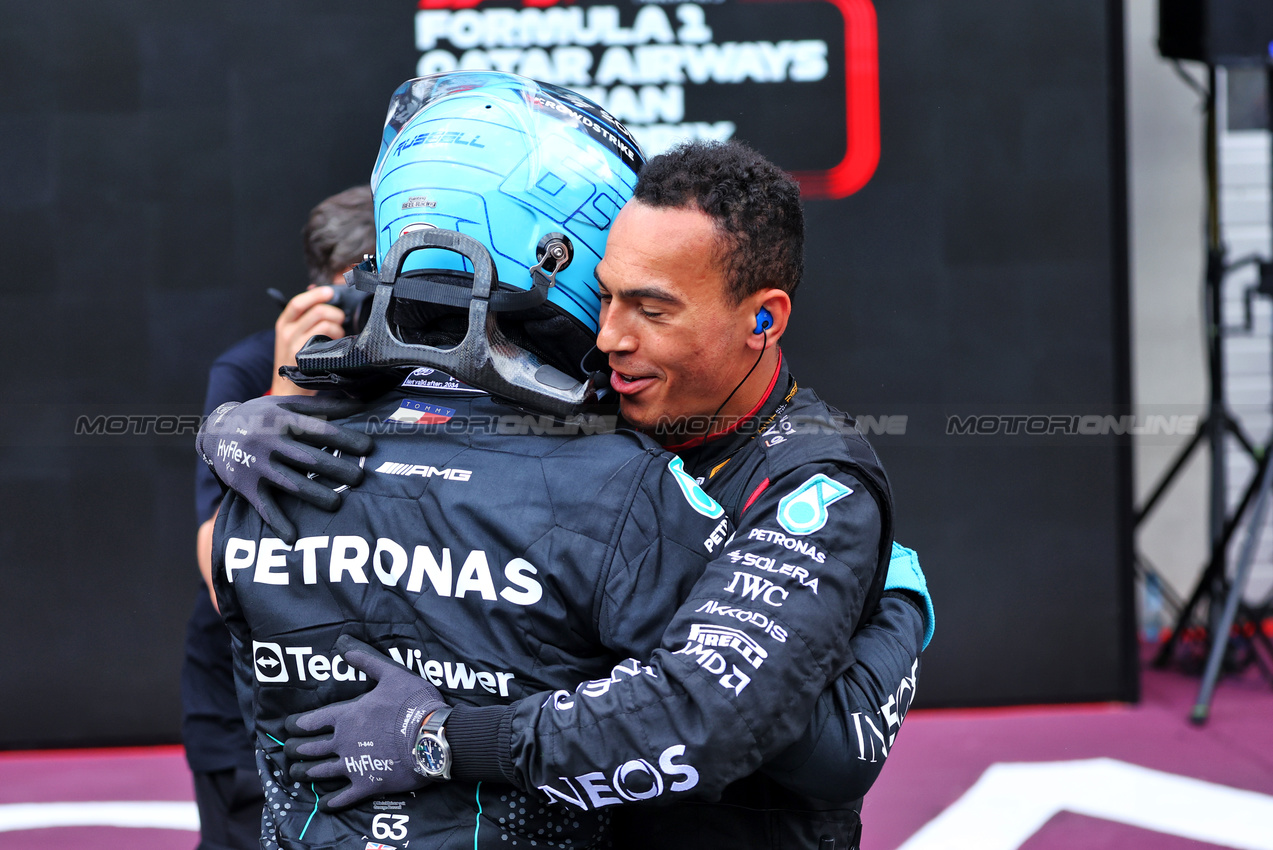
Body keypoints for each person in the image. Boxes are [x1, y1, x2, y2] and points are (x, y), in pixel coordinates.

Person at [202, 74, 932, 850]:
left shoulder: (811, 483)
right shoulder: (599, 389)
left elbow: (821, 748)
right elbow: (422, 302)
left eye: (651, 309)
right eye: (605, 296)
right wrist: (235, 420)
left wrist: (897, 600)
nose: (610, 336)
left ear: (762, 317)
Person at [182, 185, 374, 850]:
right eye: (362, 291)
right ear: (323, 293)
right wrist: (287, 394)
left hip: (378, 711)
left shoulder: (433, 373)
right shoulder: (248, 373)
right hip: (249, 712)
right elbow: (219, 565)